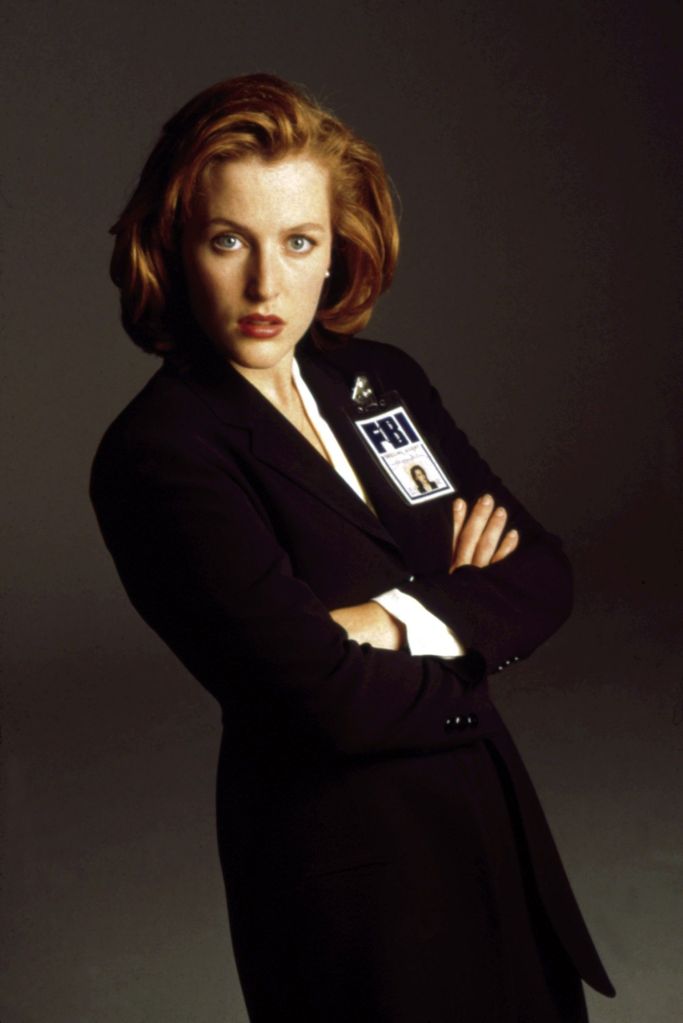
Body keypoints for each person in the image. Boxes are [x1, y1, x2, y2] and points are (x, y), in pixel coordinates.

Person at [90, 73, 614, 1022]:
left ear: (338, 249)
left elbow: (542, 573)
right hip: (350, 891)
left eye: (298, 241)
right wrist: (460, 619)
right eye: (227, 240)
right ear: (171, 245)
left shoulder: (381, 381)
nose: (266, 284)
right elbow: (314, 693)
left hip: (497, 850)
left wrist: (386, 618)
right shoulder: (158, 452)